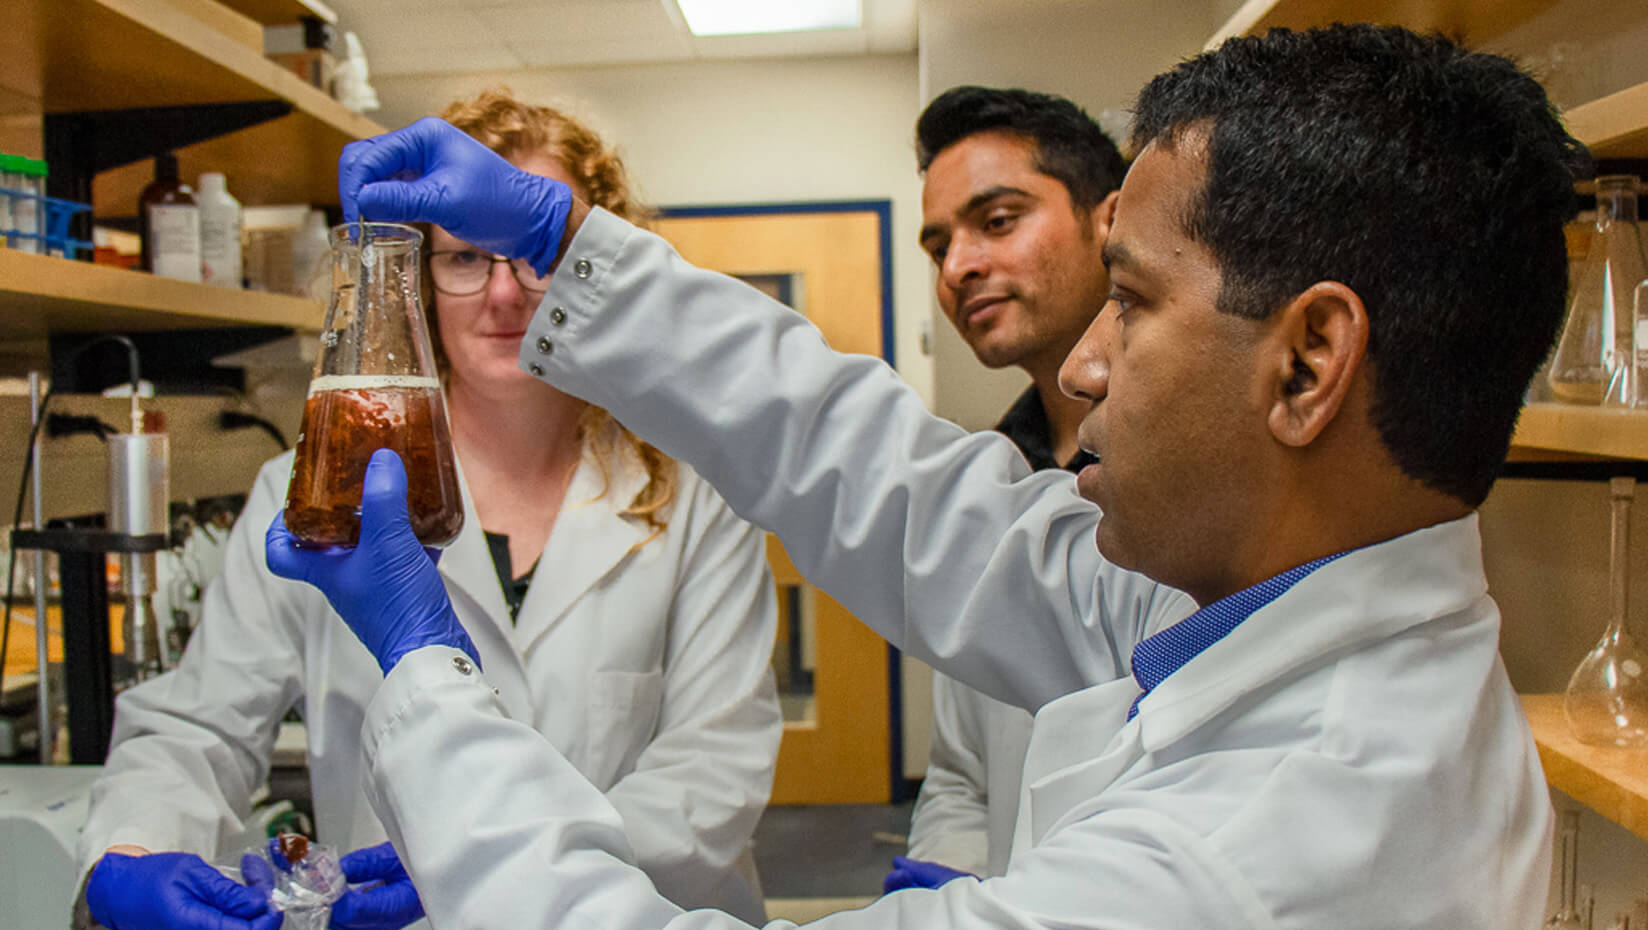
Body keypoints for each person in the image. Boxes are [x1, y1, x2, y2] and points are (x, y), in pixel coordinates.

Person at [269, 22, 1583, 929]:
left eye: (1129, 299)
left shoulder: (1247, 863)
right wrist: (577, 251)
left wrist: (426, 681)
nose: (1082, 370)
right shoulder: (1296, 608)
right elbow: (913, 498)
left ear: (1306, 365)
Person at [76, 88, 782, 930]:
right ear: (413, 280)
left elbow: (713, 772)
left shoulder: (695, 491)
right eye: (464, 259)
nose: (505, 294)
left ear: (595, 266)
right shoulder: (311, 491)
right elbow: (200, 727)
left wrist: (492, 868)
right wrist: (131, 852)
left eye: (534, 254)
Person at [889, 85, 1168, 890]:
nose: (959, 266)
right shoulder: (997, 470)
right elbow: (959, 771)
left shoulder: (1197, 479)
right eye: (938, 245)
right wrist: (939, 882)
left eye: (998, 220)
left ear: (1109, 221)